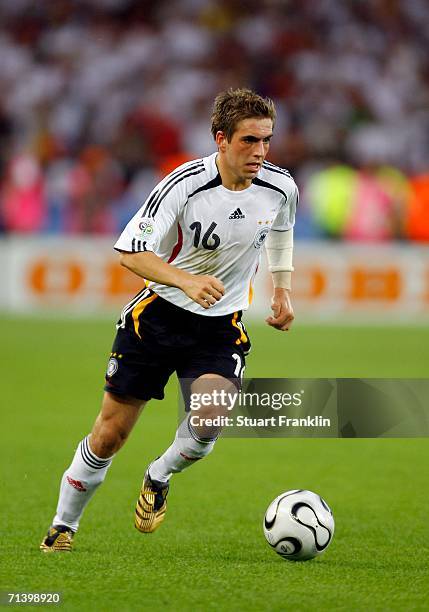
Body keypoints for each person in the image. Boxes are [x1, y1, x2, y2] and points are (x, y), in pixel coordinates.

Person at [40, 88, 298, 552]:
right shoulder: (183, 184)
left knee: (208, 423)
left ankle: (159, 474)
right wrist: (184, 280)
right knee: (110, 434)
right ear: (221, 139)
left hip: (220, 325)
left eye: (266, 141)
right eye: (248, 141)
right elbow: (129, 252)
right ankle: (63, 525)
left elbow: (282, 229)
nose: (260, 152)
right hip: (156, 318)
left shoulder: (281, 187)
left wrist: (282, 288)